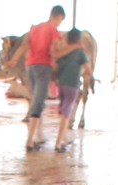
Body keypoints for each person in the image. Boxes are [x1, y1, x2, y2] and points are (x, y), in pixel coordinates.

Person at [22, 4, 63, 150]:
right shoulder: (53, 30)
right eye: (60, 21)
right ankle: (29, 140)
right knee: (38, 102)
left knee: (35, 98)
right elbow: (54, 49)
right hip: (43, 66)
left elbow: (24, 45)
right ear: (59, 17)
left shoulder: (35, 28)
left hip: (29, 66)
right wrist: (57, 63)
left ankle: (39, 134)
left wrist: (13, 60)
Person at [52, 28, 87, 151]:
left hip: (61, 84)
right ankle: (58, 142)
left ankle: (64, 137)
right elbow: (87, 67)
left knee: (63, 110)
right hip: (73, 85)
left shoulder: (63, 52)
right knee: (66, 112)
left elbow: (56, 65)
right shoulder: (80, 52)